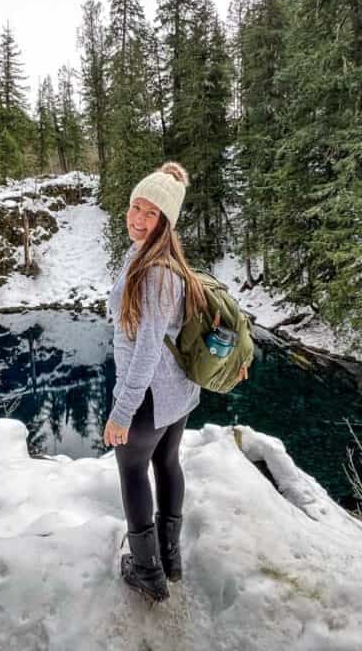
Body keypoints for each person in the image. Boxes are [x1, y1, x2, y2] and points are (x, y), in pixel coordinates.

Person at [104, 161, 247, 603]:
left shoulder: (156, 272)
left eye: (151, 213)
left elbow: (147, 350)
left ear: (166, 222)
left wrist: (122, 412)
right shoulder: (153, 258)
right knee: (167, 463)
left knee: (132, 471)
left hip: (149, 397)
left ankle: (147, 572)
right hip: (178, 394)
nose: (138, 218)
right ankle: (170, 558)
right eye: (136, 206)